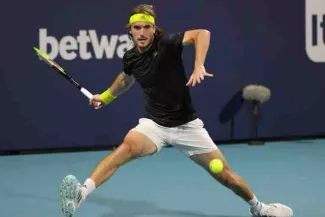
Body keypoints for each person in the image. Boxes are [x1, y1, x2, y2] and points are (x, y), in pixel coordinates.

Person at [59, 4, 293, 217]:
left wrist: (199, 64)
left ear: (153, 29)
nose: (141, 32)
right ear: (129, 30)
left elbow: (202, 34)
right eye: (136, 27)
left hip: (187, 126)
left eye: (146, 27)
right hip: (154, 125)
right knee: (126, 148)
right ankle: (81, 193)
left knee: (226, 177)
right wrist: (106, 97)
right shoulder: (130, 57)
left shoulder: (168, 44)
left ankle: (260, 209)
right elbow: (125, 80)